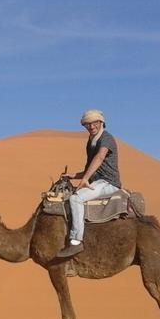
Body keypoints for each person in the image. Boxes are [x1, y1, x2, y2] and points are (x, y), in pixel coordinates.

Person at [56, 109, 123, 258]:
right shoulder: (91, 142)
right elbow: (90, 168)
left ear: (101, 122)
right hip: (96, 181)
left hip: (108, 182)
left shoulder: (106, 138)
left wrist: (85, 179)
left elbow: (99, 157)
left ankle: (76, 241)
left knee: (76, 198)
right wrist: (74, 175)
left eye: (94, 123)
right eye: (87, 124)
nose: (91, 126)